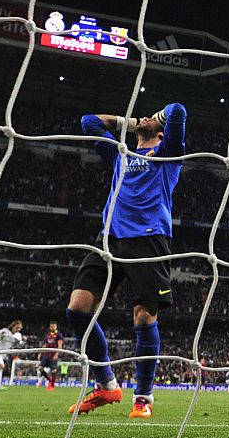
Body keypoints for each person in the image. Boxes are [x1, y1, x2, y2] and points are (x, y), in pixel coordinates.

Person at [66, 103, 186, 419]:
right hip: (108, 238)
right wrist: (131, 123)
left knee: (144, 318)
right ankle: (106, 385)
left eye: (152, 119)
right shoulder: (121, 156)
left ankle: (143, 398)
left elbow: (178, 111)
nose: (146, 117)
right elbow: (88, 120)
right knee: (77, 309)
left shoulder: (167, 155)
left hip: (149, 238)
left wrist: (155, 120)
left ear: (160, 133)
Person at [37, 321, 63, 390]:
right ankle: (50, 380)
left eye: (54, 326)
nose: (52, 327)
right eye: (51, 326)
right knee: (40, 368)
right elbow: (45, 345)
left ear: (56, 327)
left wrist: (57, 353)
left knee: (53, 370)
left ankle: (51, 385)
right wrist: (40, 353)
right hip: (46, 355)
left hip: (53, 354)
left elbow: (60, 345)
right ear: (49, 327)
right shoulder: (48, 334)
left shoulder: (58, 335)